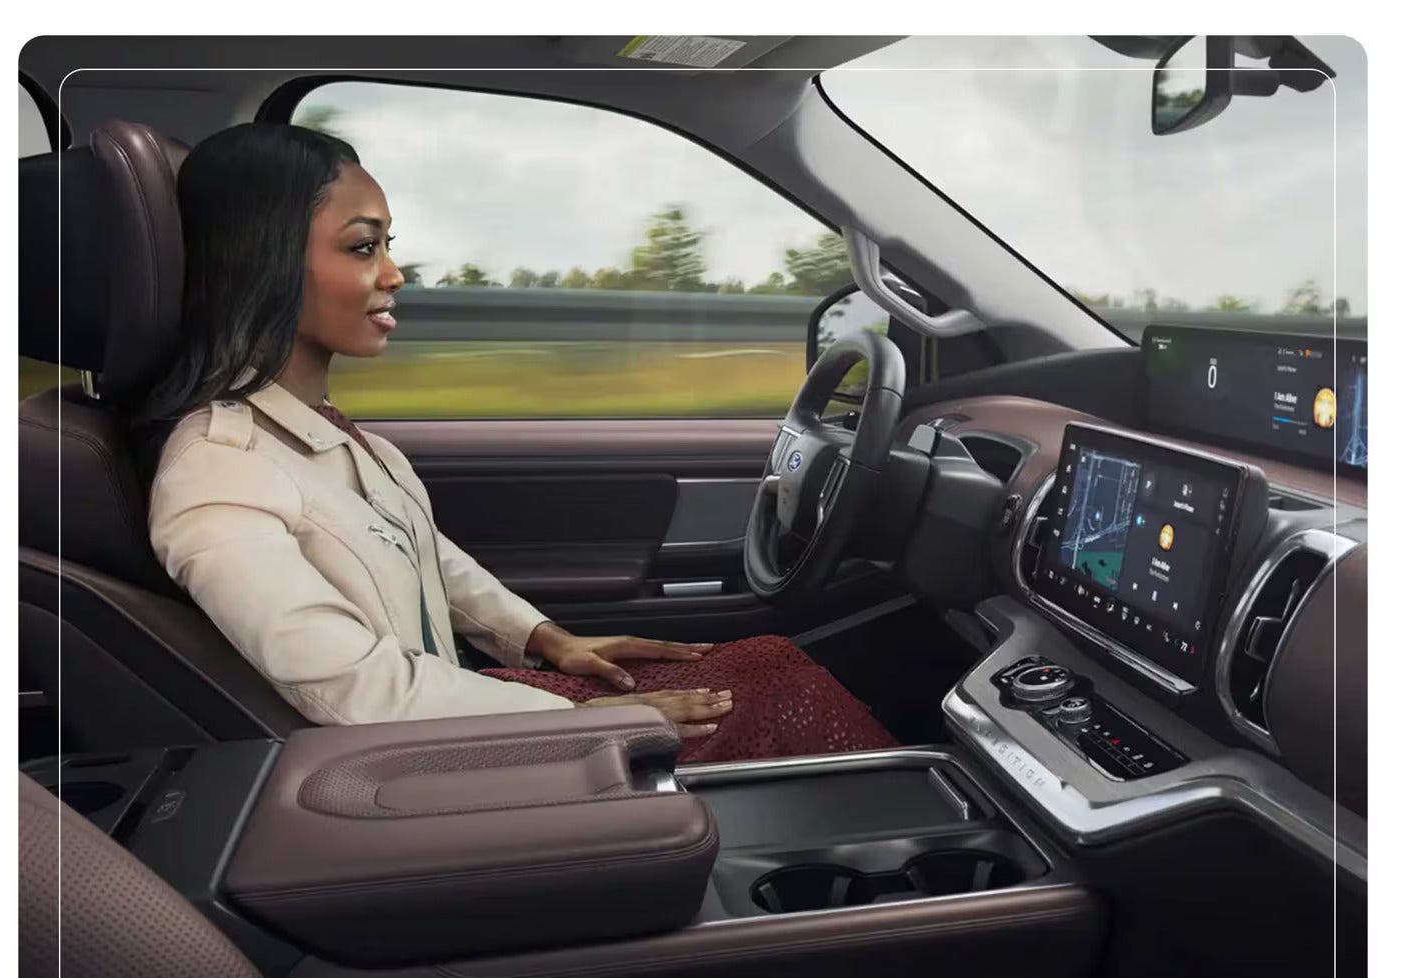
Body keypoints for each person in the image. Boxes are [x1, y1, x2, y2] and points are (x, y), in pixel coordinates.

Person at [136, 122, 899, 763]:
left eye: (387, 245)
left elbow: (428, 556)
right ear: (263, 260)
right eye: (363, 247)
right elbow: (351, 692)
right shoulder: (218, 471)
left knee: (769, 661)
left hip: (457, 715)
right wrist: (597, 724)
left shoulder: (319, 431)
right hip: (420, 764)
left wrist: (544, 639)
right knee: (780, 697)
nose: (396, 274)